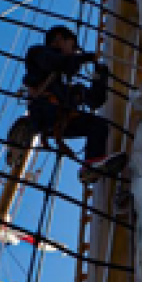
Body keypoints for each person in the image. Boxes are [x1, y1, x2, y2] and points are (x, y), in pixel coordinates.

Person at [21, 25, 127, 184]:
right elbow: (57, 62)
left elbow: (95, 100)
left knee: (98, 125)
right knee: (75, 97)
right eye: (73, 46)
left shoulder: (66, 83)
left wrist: (100, 76)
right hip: (44, 112)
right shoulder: (37, 54)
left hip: (61, 119)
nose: (75, 51)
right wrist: (85, 58)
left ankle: (91, 165)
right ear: (58, 39)